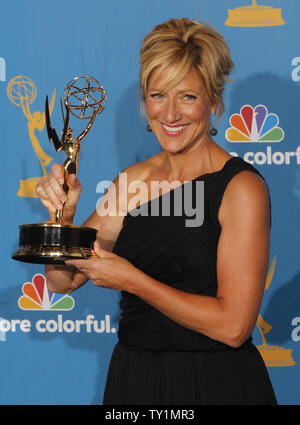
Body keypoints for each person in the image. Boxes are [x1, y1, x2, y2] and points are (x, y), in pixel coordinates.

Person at [36, 18, 277, 405]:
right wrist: (63, 220)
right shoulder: (132, 182)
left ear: (213, 103)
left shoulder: (240, 188)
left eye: (188, 97)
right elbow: (62, 282)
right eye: (158, 95)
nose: (170, 114)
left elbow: (234, 326)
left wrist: (134, 280)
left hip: (215, 383)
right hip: (136, 381)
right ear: (144, 102)